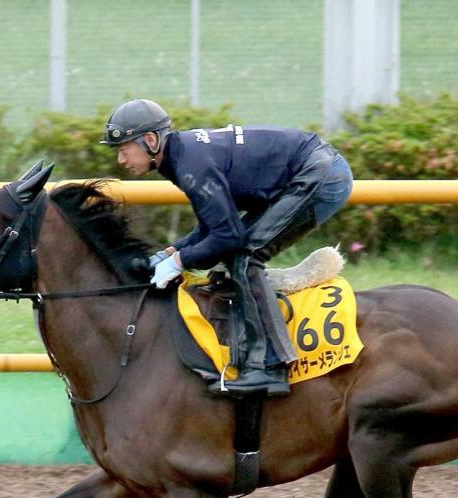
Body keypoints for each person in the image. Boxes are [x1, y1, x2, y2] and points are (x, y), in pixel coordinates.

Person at [100, 98, 353, 397]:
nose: (121, 159)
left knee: (245, 258)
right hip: (314, 168)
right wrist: (171, 252)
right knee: (236, 255)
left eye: (124, 148)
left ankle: (269, 368)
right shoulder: (182, 156)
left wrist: (179, 261)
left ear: (150, 140)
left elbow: (227, 238)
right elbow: (217, 225)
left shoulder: (189, 164)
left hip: (319, 176)